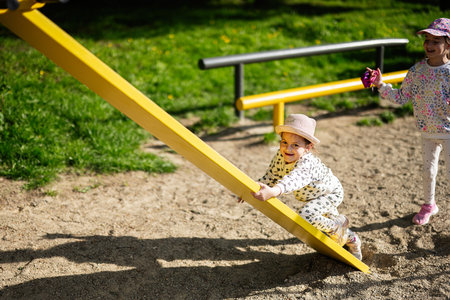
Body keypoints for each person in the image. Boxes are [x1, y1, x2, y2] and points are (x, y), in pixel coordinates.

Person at [239, 114, 362, 260]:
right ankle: (352, 240)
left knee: (305, 216)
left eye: (295, 145)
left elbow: (294, 179)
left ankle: (337, 225)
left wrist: (274, 191)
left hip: (330, 193)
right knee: (323, 225)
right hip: (314, 196)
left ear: (308, 147)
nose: (288, 149)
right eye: (284, 142)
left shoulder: (307, 164)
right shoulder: (281, 156)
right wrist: (251, 189)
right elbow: (271, 176)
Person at [365, 18, 449, 225]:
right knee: (428, 171)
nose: (429, 45)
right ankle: (429, 205)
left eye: (435, 41)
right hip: (427, 130)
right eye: (427, 40)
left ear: (448, 44)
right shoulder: (417, 71)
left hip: (449, 130)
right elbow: (401, 97)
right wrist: (381, 84)